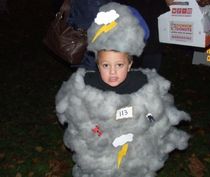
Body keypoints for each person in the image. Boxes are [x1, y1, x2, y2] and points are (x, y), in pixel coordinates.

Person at [56, 2, 190, 177]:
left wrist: (145, 122)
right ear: (97, 64)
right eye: (105, 65)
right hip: (101, 159)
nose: (112, 72)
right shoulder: (87, 86)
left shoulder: (142, 85)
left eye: (119, 65)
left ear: (129, 64)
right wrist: (99, 133)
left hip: (134, 157)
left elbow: (154, 115)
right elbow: (83, 122)